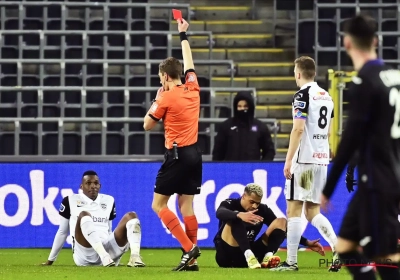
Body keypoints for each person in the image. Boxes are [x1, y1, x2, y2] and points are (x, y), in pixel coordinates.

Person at [321, 14, 400, 280]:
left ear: (347, 44)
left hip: (377, 181)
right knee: (345, 247)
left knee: (386, 257)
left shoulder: (364, 82)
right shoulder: (395, 77)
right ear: (375, 41)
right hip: (384, 175)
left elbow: (350, 140)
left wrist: (328, 189)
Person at [143, 18, 202, 271]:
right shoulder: (193, 86)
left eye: (160, 77)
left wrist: (156, 99)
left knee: (158, 204)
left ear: (166, 76)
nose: (160, 81)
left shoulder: (165, 96)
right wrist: (183, 35)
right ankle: (193, 261)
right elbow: (189, 61)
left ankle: (189, 249)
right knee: (186, 204)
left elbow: (147, 124)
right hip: (195, 154)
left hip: (176, 155)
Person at [272, 56, 339, 272]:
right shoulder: (327, 97)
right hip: (321, 160)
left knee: (293, 209)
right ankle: (338, 249)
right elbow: (329, 131)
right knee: (312, 212)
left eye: (294, 71)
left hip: (304, 160)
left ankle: (291, 262)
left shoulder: (302, 95)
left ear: (298, 73)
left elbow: (298, 129)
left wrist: (289, 159)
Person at [42, 171, 145, 267]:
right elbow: (62, 232)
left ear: (100, 186)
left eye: (96, 183)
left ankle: (135, 257)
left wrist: (116, 255)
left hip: (108, 250)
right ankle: (104, 256)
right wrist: (50, 260)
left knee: (132, 216)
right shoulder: (70, 200)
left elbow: (108, 229)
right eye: (88, 183)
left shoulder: (109, 200)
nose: (93, 186)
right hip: (84, 254)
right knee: (84, 215)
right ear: (81, 187)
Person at [214, 183, 325, 269]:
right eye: (251, 202)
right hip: (226, 255)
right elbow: (219, 212)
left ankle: (267, 257)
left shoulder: (262, 209)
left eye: (257, 203)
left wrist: (306, 242)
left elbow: (282, 228)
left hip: (250, 255)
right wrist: (239, 214)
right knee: (235, 219)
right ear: (243, 196)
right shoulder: (231, 203)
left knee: (281, 221)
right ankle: (249, 256)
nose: (254, 206)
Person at [212, 91, 276, 161]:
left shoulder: (260, 127)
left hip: (252, 169)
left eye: (245, 106)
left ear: (250, 107)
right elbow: (218, 153)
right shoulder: (225, 126)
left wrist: (262, 166)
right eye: (239, 106)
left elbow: (269, 150)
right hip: (231, 170)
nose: (242, 109)